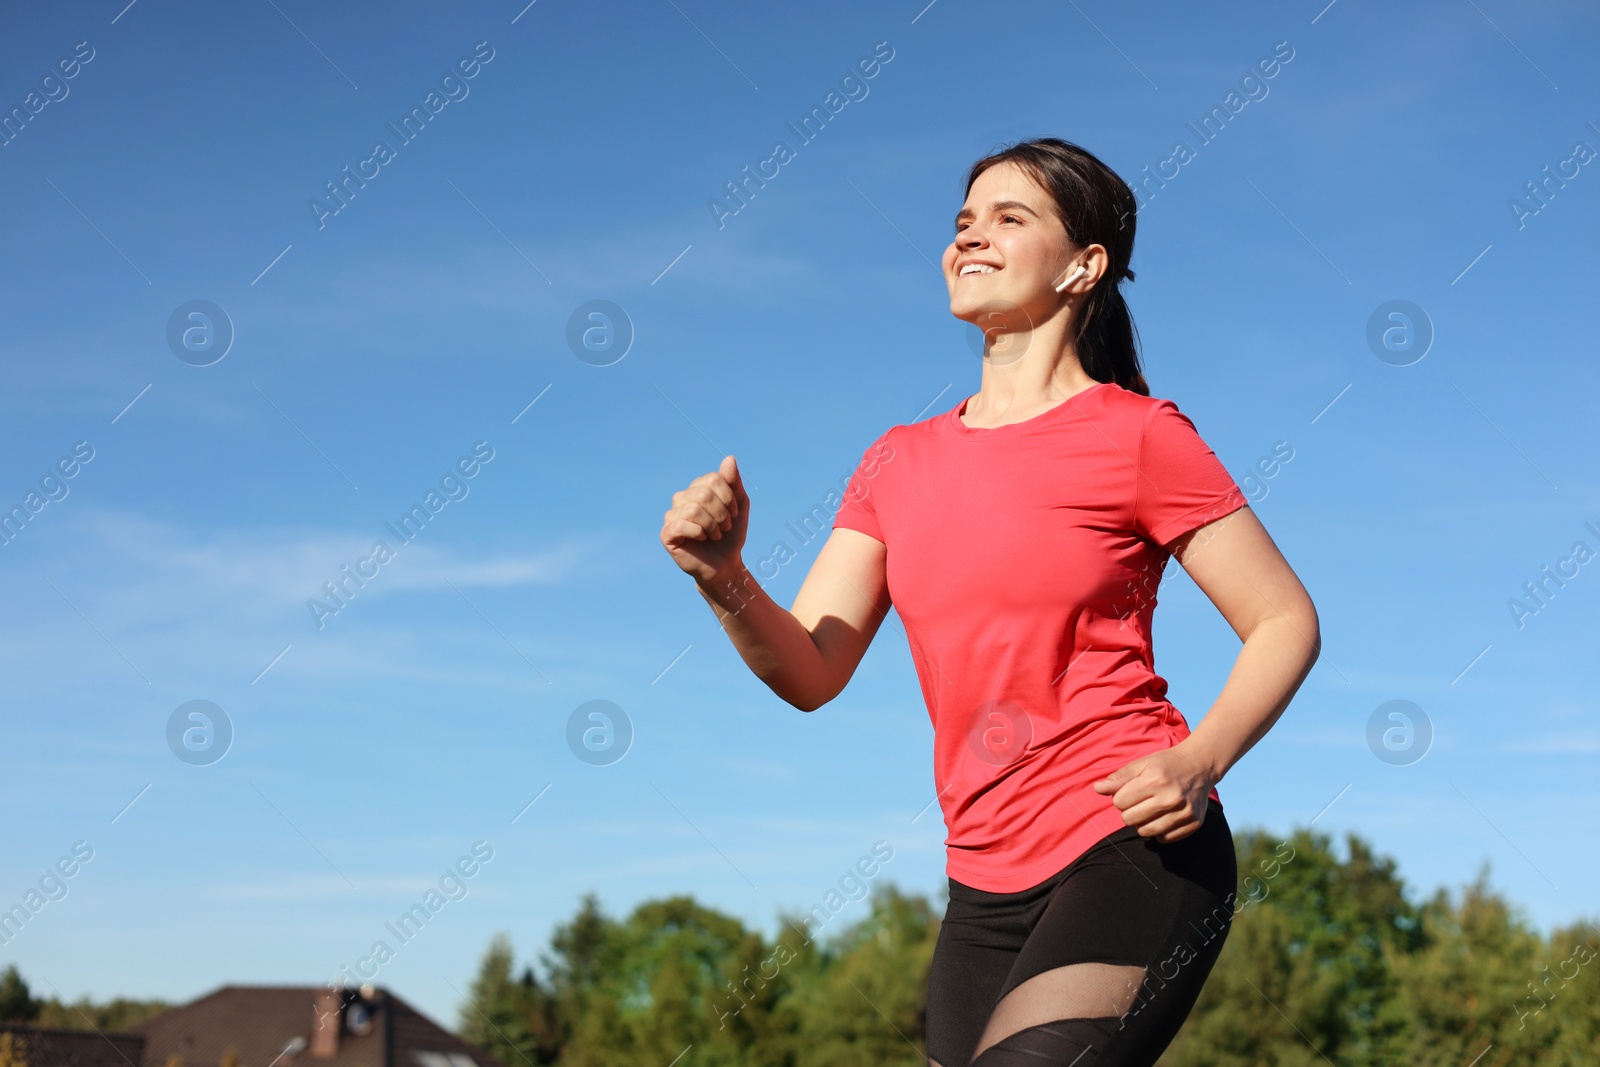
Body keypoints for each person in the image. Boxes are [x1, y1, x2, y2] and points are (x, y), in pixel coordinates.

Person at [658, 137, 1319, 1066]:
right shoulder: (898, 460)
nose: (972, 236)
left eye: (1010, 218)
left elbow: (1284, 617)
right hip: (980, 880)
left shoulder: (1139, 436)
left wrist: (1201, 757)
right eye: (963, 220)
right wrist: (723, 575)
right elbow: (811, 668)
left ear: (1085, 266)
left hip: (1126, 839)